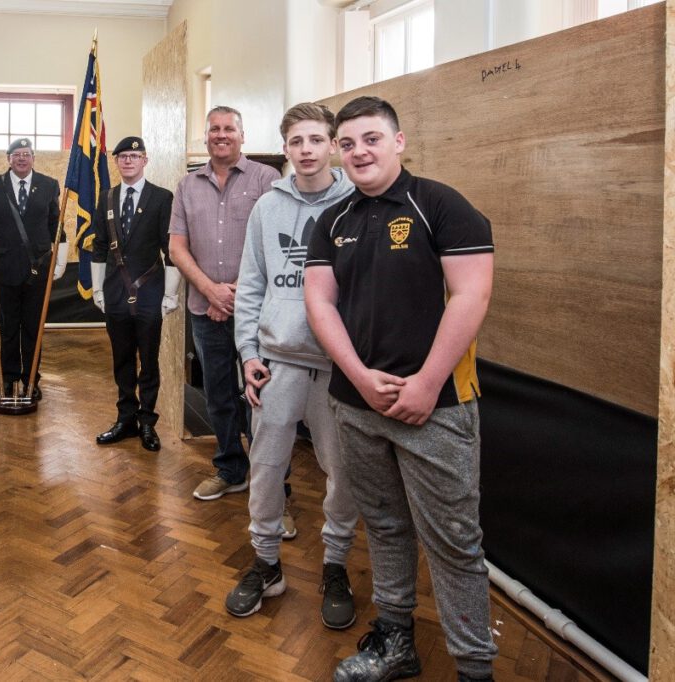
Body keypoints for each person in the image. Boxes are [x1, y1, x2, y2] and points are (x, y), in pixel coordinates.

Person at [304, 96, 497, 682]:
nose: (359, 151)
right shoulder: (332, 221)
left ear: (398, 140)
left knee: (454, 542)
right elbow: (319, 302)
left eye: (371, 139)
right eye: (348, 143)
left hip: (435, 410)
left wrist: (426, 383)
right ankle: (396, 643)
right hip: (355, 406)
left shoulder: (441, 205)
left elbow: (471, 296)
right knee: (384, 527)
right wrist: (360, 378)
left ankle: (474, 669)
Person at [225, 103, 359, 629]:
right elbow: (252, 284)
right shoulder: (267, 207)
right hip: (276, 361)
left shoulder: (357, 202)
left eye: (316, 140)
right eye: (296, 141)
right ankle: (266, 563)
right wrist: (249, 354)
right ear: (285, 147)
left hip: (337, 367)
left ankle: (334, 566)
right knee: (265, 466)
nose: (306, 150)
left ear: (332, 145)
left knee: (342, 471)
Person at [169, 105, 280, 500]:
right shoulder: (187, 186)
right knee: (217, 394)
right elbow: (177, 246)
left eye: (229, 128)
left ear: (242, 135)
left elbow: (272, 244)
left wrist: (231, 292)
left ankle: (272, 487)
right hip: (204, 310)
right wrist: (210, 290)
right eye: (214, 129)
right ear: (206, 136)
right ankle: (231, 469)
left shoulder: (268, 179)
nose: (221, 134)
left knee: (262, 398)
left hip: (256, 312)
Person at [90, 136, 179, 452]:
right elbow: (99, 245)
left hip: (150, 292)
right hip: (114, 292)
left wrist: (170, 294)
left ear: (145, 160)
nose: (128, 161)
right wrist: (97, 288)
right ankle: (125, 418)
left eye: (134, 155)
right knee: (122, 358)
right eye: (122, 156)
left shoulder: (161, 198)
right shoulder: (107, 198)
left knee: (149, 361)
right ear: (116, 162)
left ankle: (146, 422)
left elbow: (170, 250)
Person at [0, 138, 65, 400]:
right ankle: (7, 379)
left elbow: (56, 226)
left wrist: (59, 261)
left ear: (33, 158)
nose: (21, 158)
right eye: (16, 154)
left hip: (38, 269)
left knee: (33, 327)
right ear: (8, 158)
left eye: (26, 154)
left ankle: (31, 379)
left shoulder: (49, 185)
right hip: (4, 267)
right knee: (8, 328)